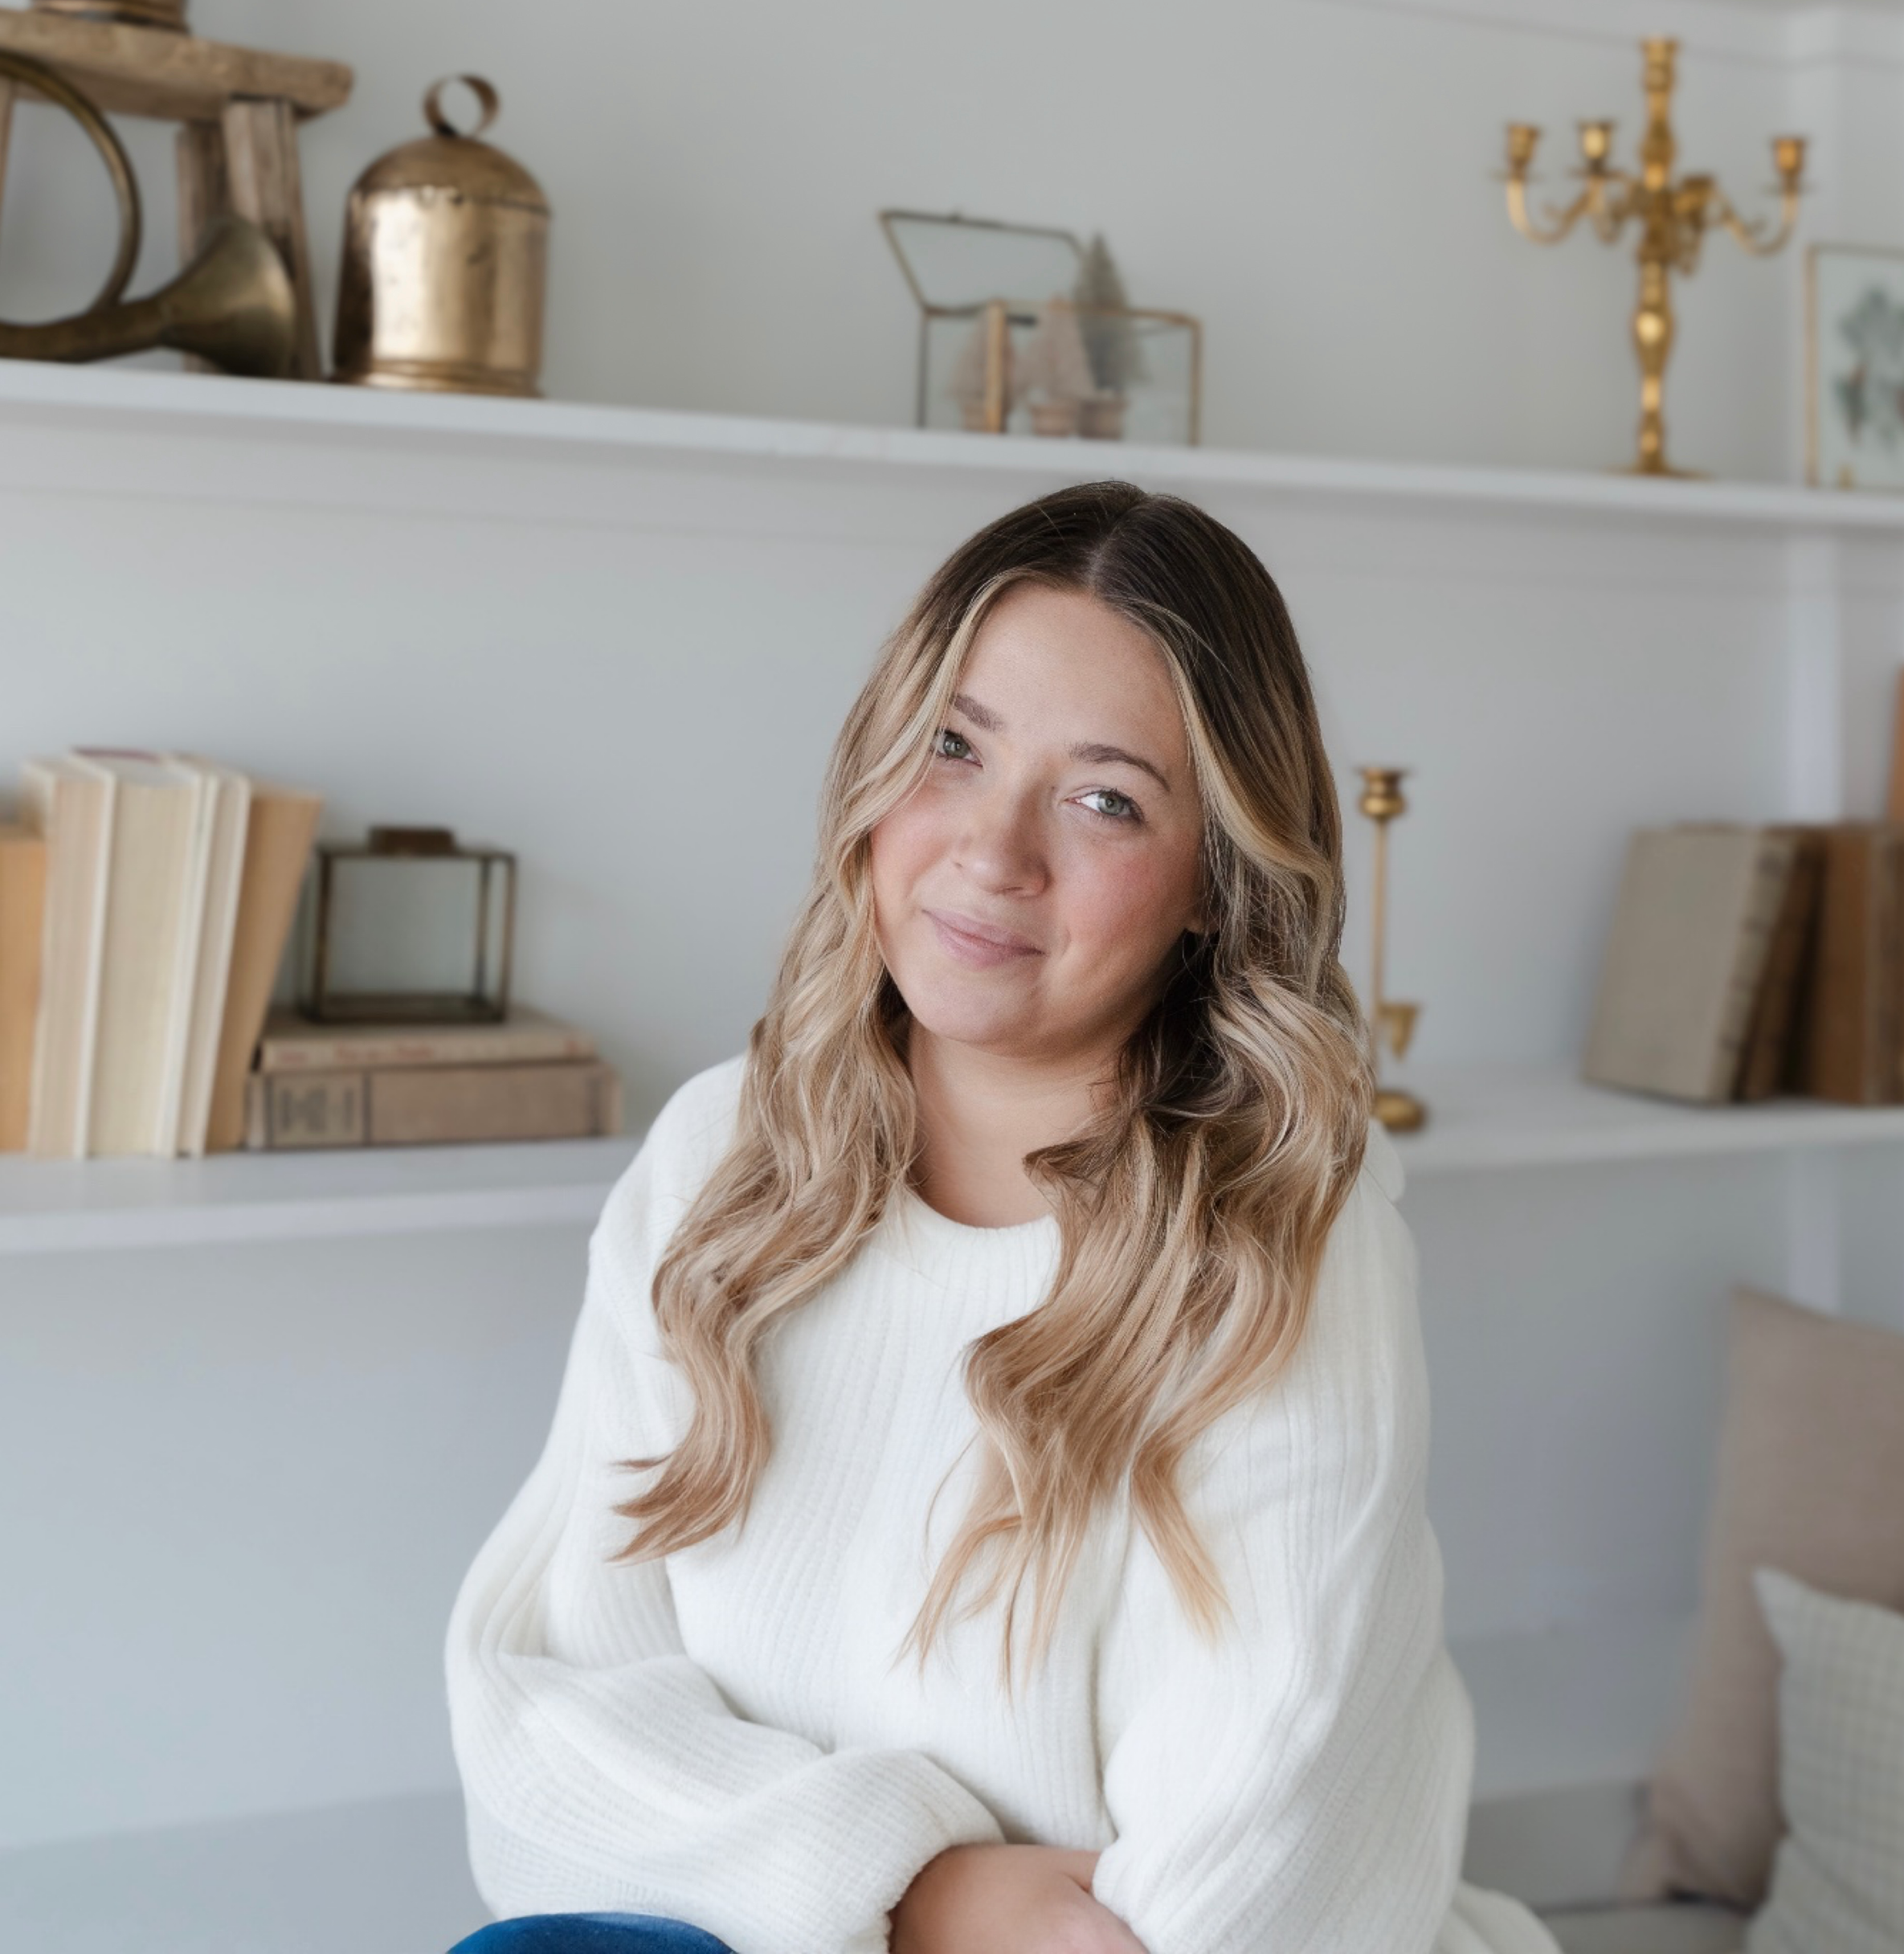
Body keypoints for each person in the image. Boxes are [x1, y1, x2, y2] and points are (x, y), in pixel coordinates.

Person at [443, 482, 1558, 1954]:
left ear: (1215, 884)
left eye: (1106, 799)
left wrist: (782, 1874)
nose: (993, 851)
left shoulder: (1284, 1245)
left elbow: (1239, 1890)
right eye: (955, 748)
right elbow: (539, 1735)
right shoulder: (723, 1155)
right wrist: (917, 1890)